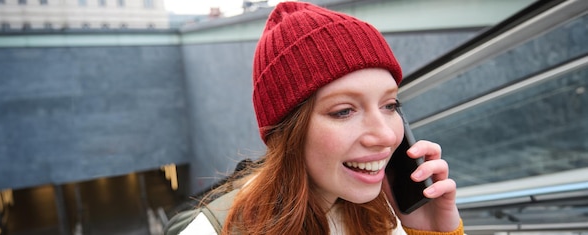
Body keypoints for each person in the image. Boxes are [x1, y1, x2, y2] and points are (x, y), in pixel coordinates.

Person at [167, 1, 462, 234]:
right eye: (344, 111)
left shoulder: (384, 212)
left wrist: (429, 232)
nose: (386, 136)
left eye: (390, 105)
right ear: (287, 132)